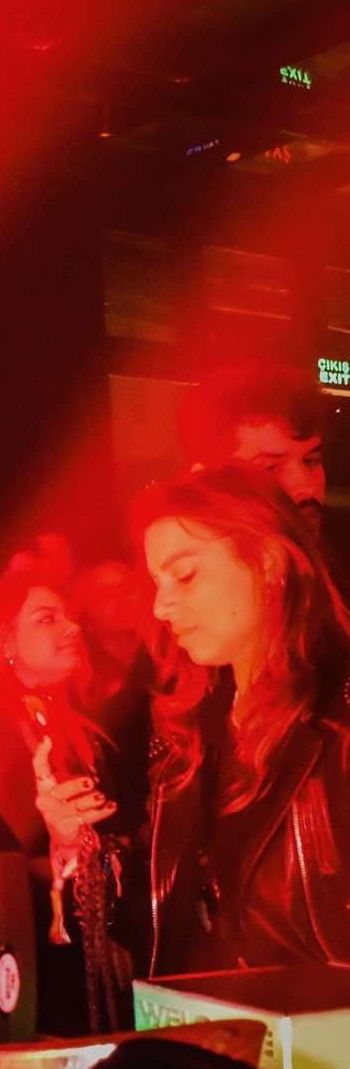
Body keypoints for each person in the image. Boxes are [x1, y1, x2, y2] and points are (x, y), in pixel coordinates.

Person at [136, 463, 350, 975]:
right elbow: (172, 931)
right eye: (155, 582)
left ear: (269, 559)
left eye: (185, 574)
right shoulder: (194, 727)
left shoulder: (338, 715)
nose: (162, 606)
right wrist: (80, 850)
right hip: (222, 1043)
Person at [0, 568, 127, 1030]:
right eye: (47, 619)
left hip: (83, 960)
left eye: (68, 616)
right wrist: (58, 845)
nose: (74, 628)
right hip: (29, 971)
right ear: (4, 642)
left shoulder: (71, 725)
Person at [178, 361, 345, 594]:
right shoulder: (193, 595)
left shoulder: (341, 550)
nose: (305, 487)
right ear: (206, 481)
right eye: (270, 468)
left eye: (310, 461)